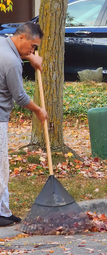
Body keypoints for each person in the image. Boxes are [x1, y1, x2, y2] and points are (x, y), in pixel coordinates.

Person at [0, 22, 48, 227]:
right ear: (21, 38)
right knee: (1, 168)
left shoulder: (3, 43)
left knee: (3, 166)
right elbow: (19, 96)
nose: (33, 50)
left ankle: (4, 211)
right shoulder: (12, 62)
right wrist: (39, 111)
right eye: (33, 46)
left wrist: (30, 58)